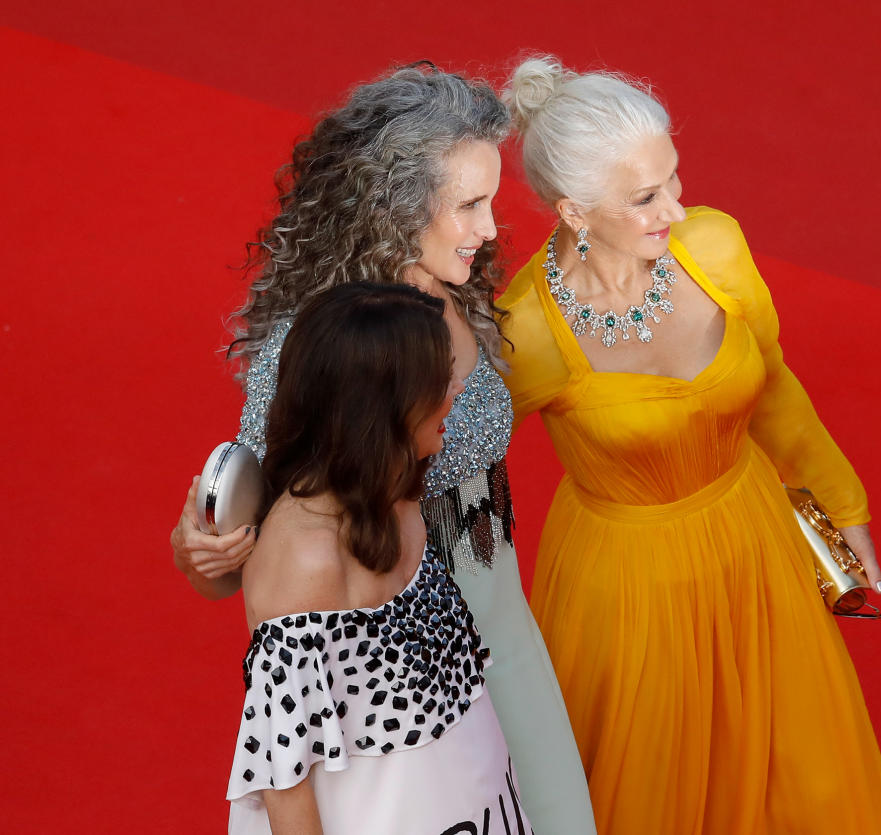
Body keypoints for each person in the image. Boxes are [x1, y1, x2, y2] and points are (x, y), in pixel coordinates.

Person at [172, 63, 595, 833]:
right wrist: (198, 549)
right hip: (397, 695)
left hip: (503, 637)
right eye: (469, 204)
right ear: (394, 206)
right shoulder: (323, 351)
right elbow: (254, 560)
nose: (492, 227)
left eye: (491, 199)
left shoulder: (460, 282)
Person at [499, 57, 881, 834]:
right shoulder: (526, 334)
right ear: (574, 211)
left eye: (674, 180)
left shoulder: (714, 247)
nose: (676, 210)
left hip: (754, 550)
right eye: (646, 197)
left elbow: (775, 388)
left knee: (806, 783)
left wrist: (842, 502)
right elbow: (445, 470)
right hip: (624, 598)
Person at [227, 281, 530, 833]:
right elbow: (285, 784)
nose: (456, 390)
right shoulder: (306, 562)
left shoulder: (400, 484)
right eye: (437, 382)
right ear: (382, 408)